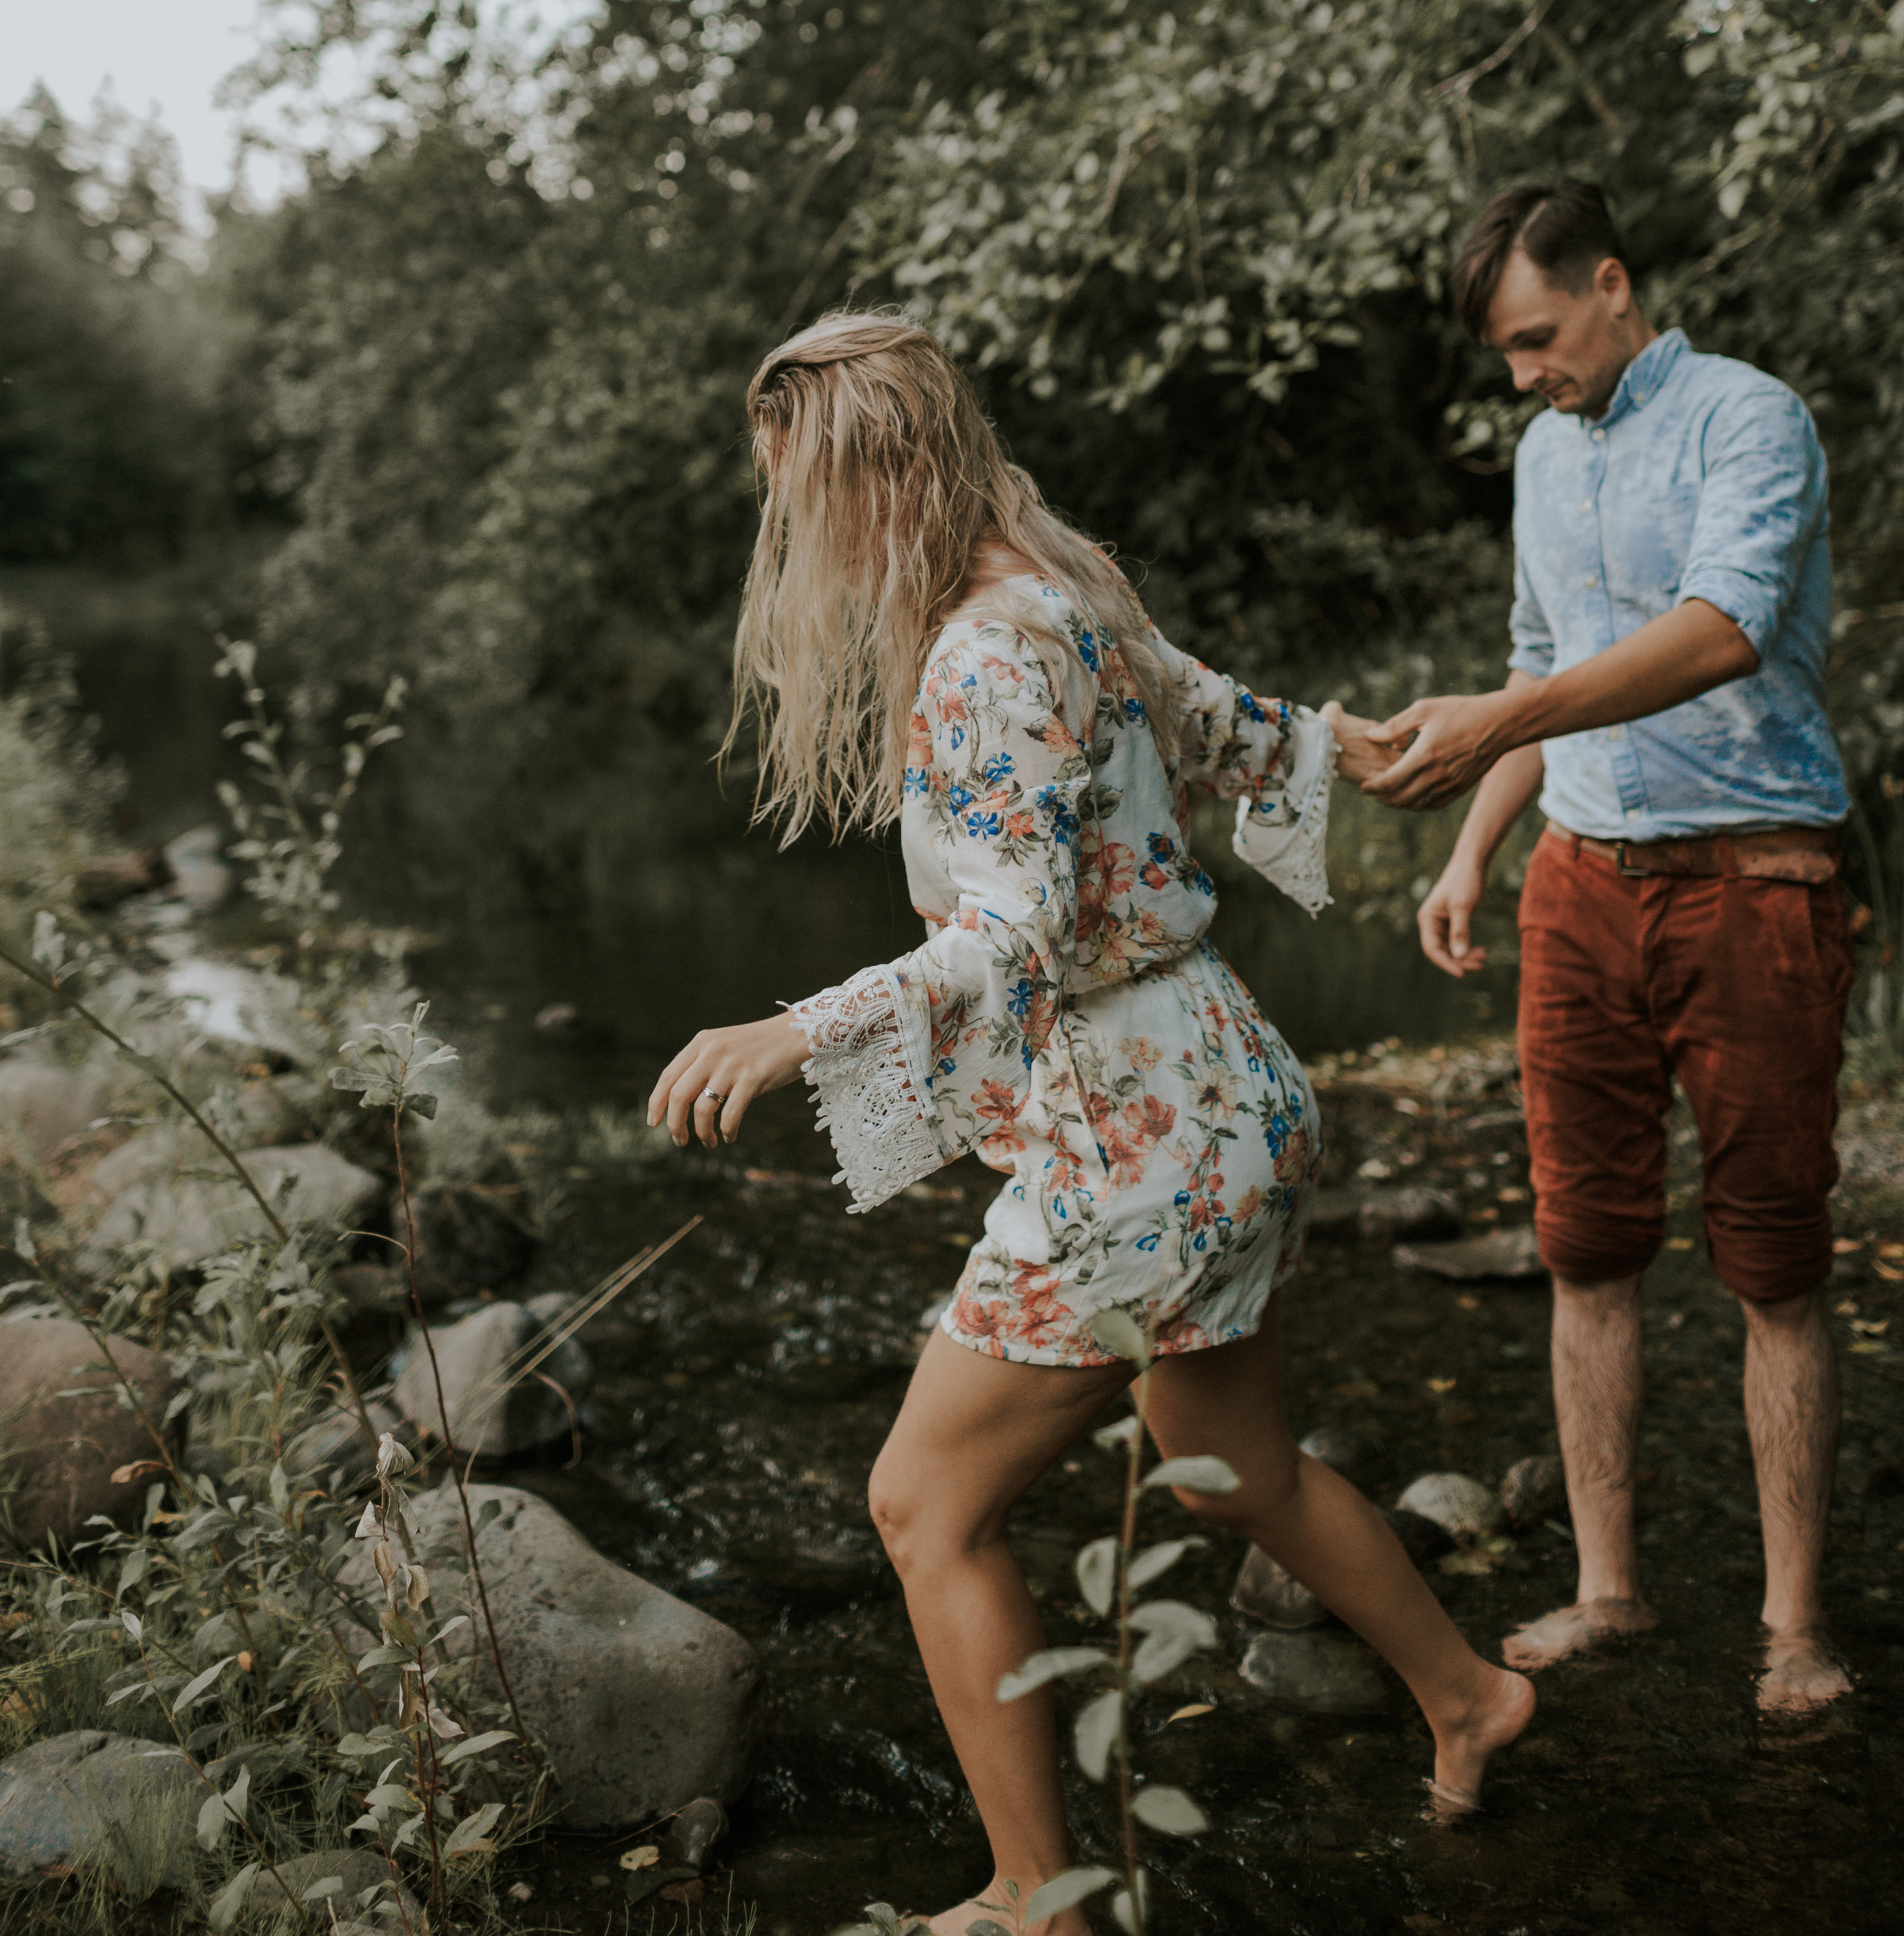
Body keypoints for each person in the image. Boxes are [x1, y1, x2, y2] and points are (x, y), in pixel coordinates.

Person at [647, 311, 1533, 1936]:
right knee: (1233, 1467)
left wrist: (799, 1027)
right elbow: (1231, 735)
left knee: (922, 1508)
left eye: (804, 502)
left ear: (879, 478)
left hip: (1131, 1136)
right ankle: (1467, 1695)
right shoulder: (1070, 597)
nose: (798, 544)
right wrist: (1366, 739)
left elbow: (1012, 935)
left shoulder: (982, 649)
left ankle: (1030, 1896)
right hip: (1231, 1094)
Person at [1363, 181, 1854, 1717]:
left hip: (1754, 877)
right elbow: (1538, 669)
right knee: (1582, 1251)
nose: (1519, 375)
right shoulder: (1534, 451)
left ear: (1610, 284)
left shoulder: (1741, 419)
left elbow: (1723, 626)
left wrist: (1502, 722)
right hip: (1574, 888)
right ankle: (1607, 1593)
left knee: (1770, 1258)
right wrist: (1472, 845)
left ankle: (1788, 1629)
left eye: (1532, 338)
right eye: (1502, 355)